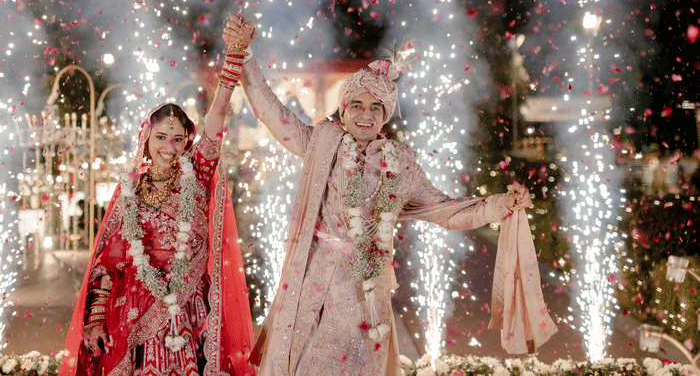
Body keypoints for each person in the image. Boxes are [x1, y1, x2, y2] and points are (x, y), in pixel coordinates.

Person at [227, 30, 557, 375]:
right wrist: (245, 55)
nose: (365, 114)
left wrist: (502, 204)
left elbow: (447, 210)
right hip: (311, 284)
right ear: (343, 111)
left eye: (375, 107)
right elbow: (272, 113)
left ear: (385, 115)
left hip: (364, 296)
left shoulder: (400, 164)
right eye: (357, 105)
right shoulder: (322, 143)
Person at [61, 14, 258, 376]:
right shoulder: (131, 189)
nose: (169, 147)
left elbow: (217, 118)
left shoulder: (196, 174)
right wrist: (97, 316)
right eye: (161, 138)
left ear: (187, 141)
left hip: (190, 304)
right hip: (136, 303)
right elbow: (111, 257)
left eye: (178, 138)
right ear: (146, 140)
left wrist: (234, 58)